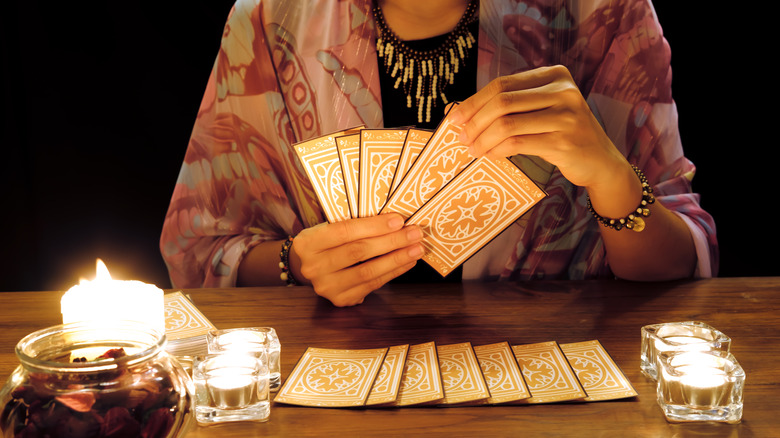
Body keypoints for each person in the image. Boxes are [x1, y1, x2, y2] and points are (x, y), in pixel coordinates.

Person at [160, 0, 718, 307]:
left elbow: (683, 264)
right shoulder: (265, 22)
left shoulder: (607, 13)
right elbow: (199, 253)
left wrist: (610, 175)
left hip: (556, 388)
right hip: (335, 391)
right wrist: (297, 265)